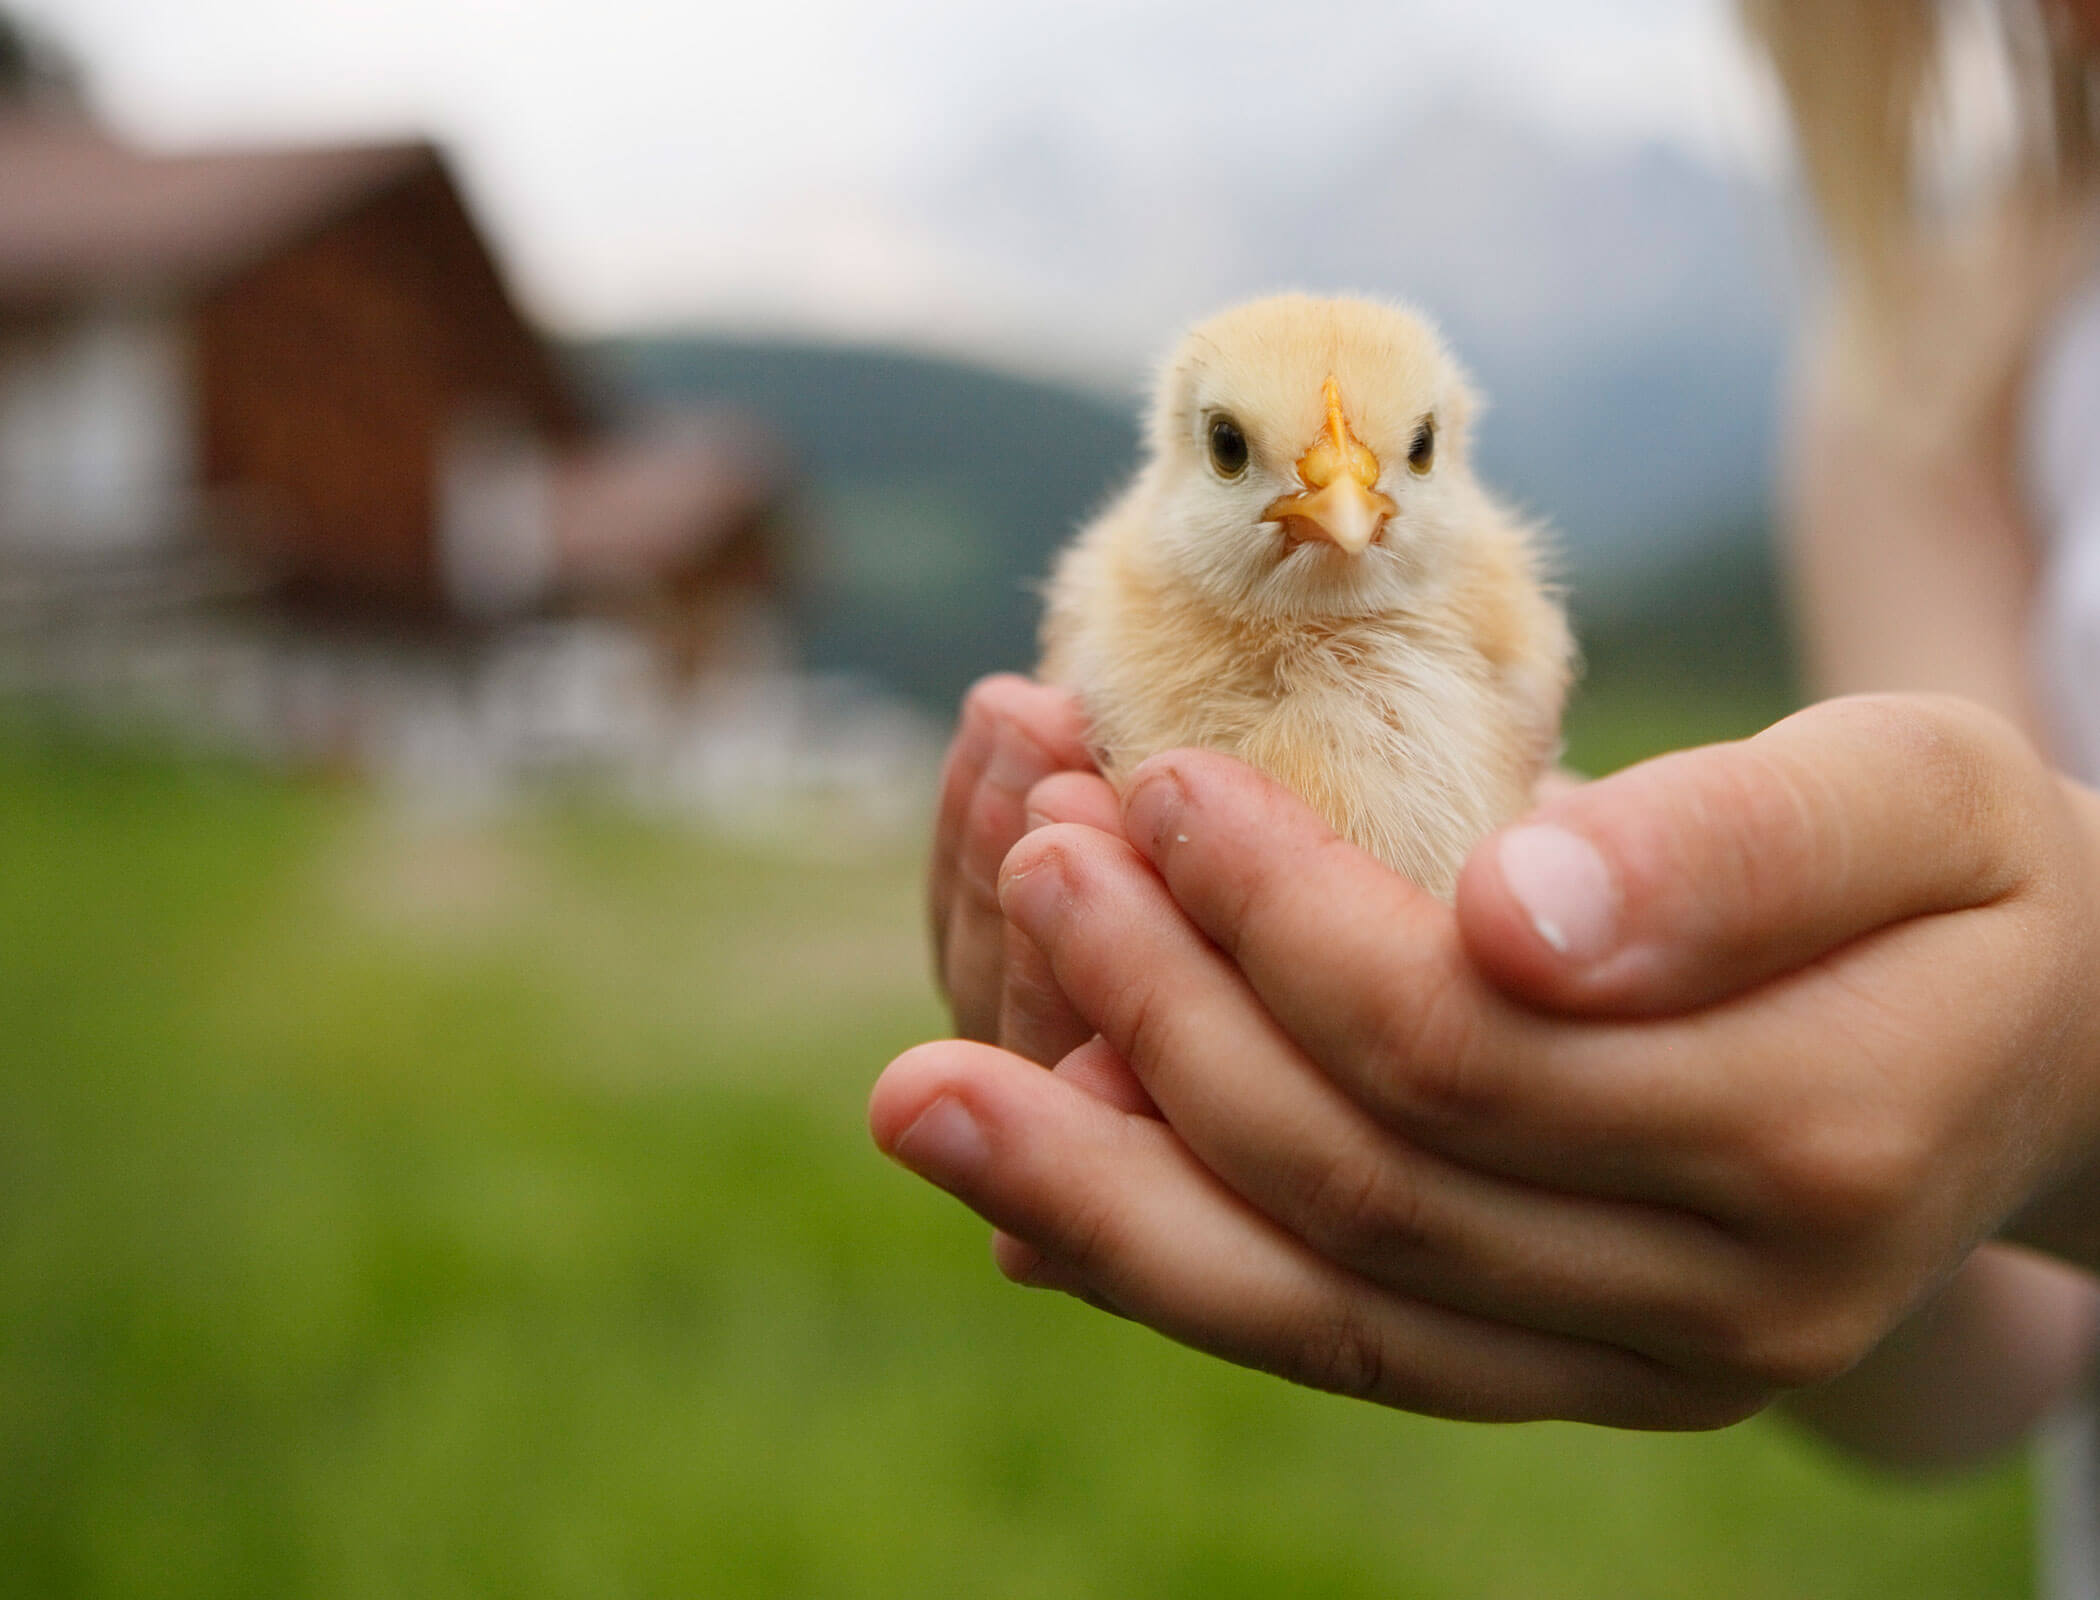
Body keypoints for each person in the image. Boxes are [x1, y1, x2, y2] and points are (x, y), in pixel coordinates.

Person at [872, 0, 2100, 1567]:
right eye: (1249, 456)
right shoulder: (1938, 360)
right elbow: (2003, 1347)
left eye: (1402, 462)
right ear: (1179, 456)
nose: (1342, 501)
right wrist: (1810, 1183)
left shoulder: (1507, 610)